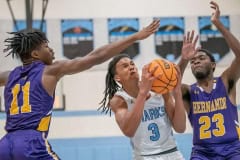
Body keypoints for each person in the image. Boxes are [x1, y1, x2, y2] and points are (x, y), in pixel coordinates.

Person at [0, 19, 160, 160]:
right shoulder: (51, 70)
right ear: (35, 53)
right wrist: (134, 37)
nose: (51, 50)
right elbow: (96, 57)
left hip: (5, 145)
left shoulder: (8, 76)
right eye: (46, 47)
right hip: (31, 142)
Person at [178, 1, 240, 159]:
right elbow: (171, 83)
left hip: (232, 148)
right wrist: (184, 59)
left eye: (201, 58)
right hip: (202, 151)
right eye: (193, 61)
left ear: (213, 65)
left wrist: (218, 24)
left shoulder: (226, 82)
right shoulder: (188, 91)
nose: (195, 61)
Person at [99, 53, 186, 160]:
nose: (131, 67)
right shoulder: (119, 100)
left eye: (132, 64)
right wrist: (142, 93)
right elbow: (129, 131)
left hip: (172, 153)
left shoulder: (159, 88)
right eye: (125, 66)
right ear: (117, 77)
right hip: (145, 156)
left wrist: (177, 94)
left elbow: (180, 128)